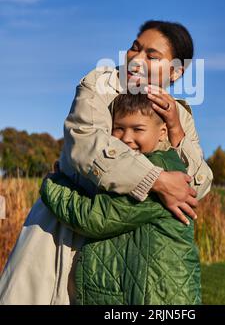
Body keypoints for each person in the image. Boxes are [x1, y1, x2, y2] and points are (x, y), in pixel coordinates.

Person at [0, 20, 213, 304]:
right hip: (66, 232)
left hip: (139, 252)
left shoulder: (179, 114)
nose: (136, 60)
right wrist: (157, 180)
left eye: (151, 55)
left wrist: (176, 130)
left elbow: (198, 184)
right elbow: (87, 143)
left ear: (175, 72)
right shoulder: (100, 85)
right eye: (134, 48)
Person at [41, 93, 202, 305]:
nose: (126, 138)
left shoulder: (163, 176)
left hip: (159, 298)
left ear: (162, 133)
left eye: (138, 129)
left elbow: (94, 218)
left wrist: (52, 185)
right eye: (119, 128)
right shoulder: (131, 172)